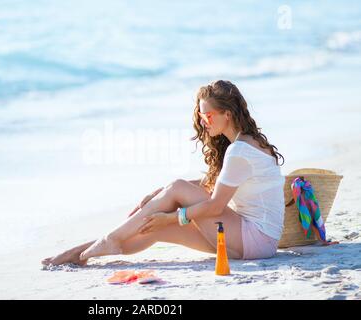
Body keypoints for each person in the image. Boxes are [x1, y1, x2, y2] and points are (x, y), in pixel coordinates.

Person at [42, 80, 285, 267]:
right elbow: (209, 186)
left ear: (227, 114)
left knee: (177, 189)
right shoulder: (245, 144)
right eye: (201, 116)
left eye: (207, 116)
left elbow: (214, 207)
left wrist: (172, 215)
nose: (203, 122)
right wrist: (161, 194)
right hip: (254, 243)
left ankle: (109, 239)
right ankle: (82, 253)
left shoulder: (240, 151)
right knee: (155, 227)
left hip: (253, 239)